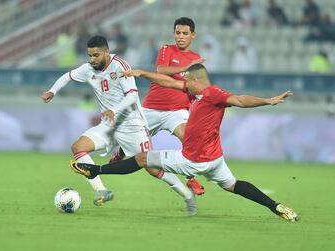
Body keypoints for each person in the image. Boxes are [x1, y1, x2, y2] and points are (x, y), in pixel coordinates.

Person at [70, 64, 299, 222]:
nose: (184, 84)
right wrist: (142, 73)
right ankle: (276, 206)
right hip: (215, 159)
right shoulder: (196, 94)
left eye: (187, 80)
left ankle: (95, 170)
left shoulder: (212, 94)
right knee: (233, 185)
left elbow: (239, 100)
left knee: (142, 159)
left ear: (195, 80)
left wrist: (268, 101)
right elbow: (168, 82)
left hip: (192, 160)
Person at [42, 36, 197, 213]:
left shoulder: (121, 66)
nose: (92, 59)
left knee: (152, 169)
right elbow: (67, 76)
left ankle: (187, 195)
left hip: (132, 125)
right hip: (108, 125)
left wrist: (114, 110)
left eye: (96, 55)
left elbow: (132, 96)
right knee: (78, 147)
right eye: (89, 55)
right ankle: (102, 190)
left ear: (107, 52)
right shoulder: (88, 69)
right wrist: (52, 91)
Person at [110, 17, 206, 196]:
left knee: (187, 139)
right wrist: (186, 67)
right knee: (135, 140)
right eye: (178, 33)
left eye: (185, 33)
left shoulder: (196, 60)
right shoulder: (167, 49)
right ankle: (120, 154)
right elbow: (161, 70)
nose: (180, 36)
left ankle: (190, 178)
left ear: (193, 35)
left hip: (177, 112)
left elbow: (194, 87)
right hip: (152, 109)